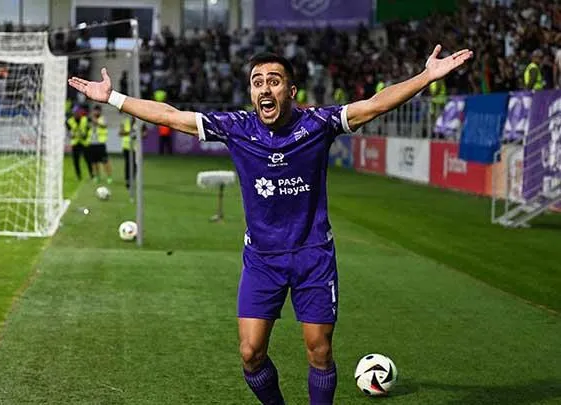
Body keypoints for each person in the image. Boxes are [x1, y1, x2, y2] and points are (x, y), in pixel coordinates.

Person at [68, 44, 473, 405]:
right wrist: (113, 98)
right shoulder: (237, 128)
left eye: (274, 81)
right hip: (262, 259)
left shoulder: (318, 124)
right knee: (250, 353)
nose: (265, 88)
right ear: (251, 92)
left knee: (319, 351)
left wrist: (425, 77)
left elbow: (374, 105)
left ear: (291, 91)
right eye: (257, 82)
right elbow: (171, 116)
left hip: (313, 255)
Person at [66, 106, 92, 180]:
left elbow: (89, 129)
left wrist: (85, 135)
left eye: (77, 112)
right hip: (75, 142)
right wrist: (71, 135)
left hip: (84, 142)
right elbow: (69, 132)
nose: (76, 114)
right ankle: (78, 176)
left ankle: (92, 175)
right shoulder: (69, 121)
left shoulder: (85, 119)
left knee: (88, 160)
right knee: (76, 161)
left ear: (80, 112)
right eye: (75, 112)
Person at [89, 105, 113, 184]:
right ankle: (97, 176)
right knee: (94, 162)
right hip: (92, 143)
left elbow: (104, 125)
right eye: (94, 110)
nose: (95, 112)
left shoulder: (102, 119)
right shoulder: (90, 120)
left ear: (100, 111)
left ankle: (109, 177)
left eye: (97, 111)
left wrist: (95, 121)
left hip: (100, 144)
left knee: (105, 161)